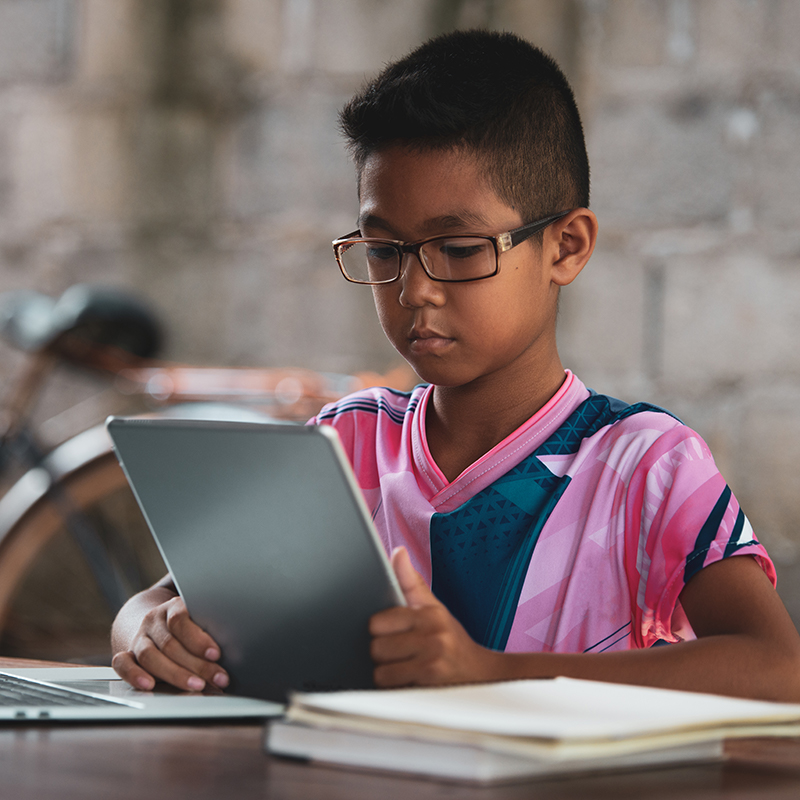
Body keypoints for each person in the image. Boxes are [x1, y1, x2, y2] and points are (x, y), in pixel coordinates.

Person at [111, 29, 800, 701]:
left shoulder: (644, 466)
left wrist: (492, 676)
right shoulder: (346, 444)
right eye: (384, 251)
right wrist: (144, 627)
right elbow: (164, 601)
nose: (415, 291)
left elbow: (778, 670)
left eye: (460, 249)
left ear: (566, 246)